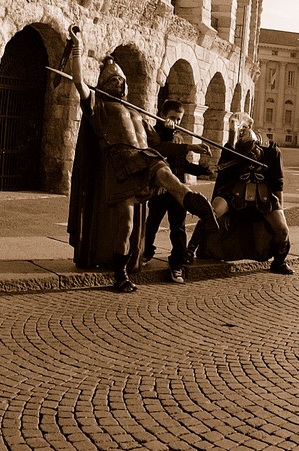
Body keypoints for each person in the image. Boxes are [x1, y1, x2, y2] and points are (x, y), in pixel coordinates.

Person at [66, 27, 217, 292]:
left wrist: (168, 127)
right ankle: (120, 272)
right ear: (102, 85)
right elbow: (78, 81)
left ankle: (188, 198)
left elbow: (160, 144)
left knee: (163, 170)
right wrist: (77, 48)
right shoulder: (97, 106)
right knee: (127, 223)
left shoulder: (135, 113)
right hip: (120, 165)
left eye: (121, 82)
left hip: (145, 157)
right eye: (113, 81)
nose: (118, 85)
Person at [185, 112, 294, 275]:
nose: (240, 133)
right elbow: (223, 175)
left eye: (243, 130)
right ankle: (189, 250)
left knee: (282, 230)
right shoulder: (232, 149)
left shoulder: (272, 151)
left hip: (263, 195)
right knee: (211, 213)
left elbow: (278, 182)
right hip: (234, 191)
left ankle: (279, 262)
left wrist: (280, 207)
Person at [142, 99, 213, 284]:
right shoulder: (155, 133)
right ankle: (145, 253)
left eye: (179, 119)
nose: (177, 122)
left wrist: (203, 170)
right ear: (163, 115)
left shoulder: (179, 137)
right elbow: (161, 149)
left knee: (178, 228)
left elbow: (183, 166)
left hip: (177, 192)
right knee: (152, 224)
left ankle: (177, 264)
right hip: (160, 190)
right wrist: (170, 133)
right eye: (173, 118)